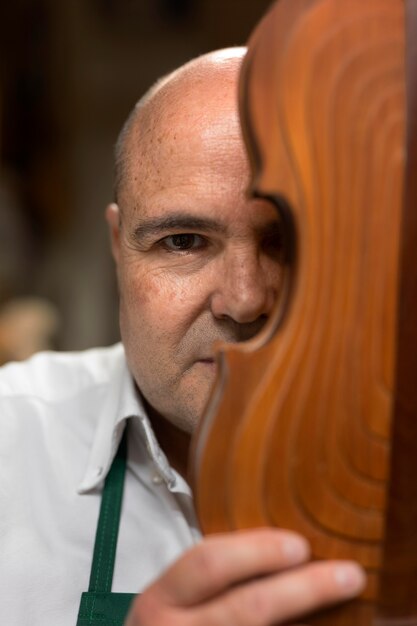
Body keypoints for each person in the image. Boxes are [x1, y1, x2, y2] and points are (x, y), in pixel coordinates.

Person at [0, 48, 365, 626]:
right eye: (184, 241)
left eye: (288, 240)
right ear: (119, 248)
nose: (244, 300)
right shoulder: (13, 446)